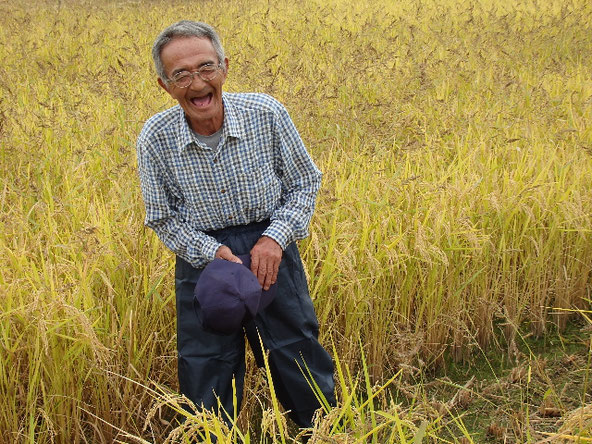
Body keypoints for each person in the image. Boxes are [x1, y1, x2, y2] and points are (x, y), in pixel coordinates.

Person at [136, 20, 336, 430]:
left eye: (206, 67)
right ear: (164, 85)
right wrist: (212, 253)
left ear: (224, 67)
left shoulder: (266, 113)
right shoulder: (155, 137)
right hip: (204, 259)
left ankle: (321, 435)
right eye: (181, 74)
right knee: (207, 365)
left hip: (271, 247)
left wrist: (275, 238)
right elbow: (162, 216)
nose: (197, 83)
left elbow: (304, 181)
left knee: (296, 351)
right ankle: (215, 438)